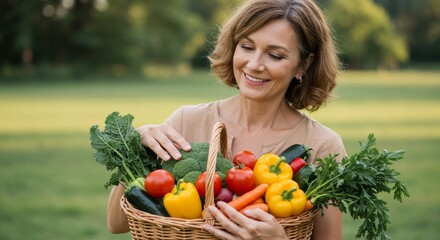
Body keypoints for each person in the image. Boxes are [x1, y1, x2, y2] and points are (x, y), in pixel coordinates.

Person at [107, 0, 346, 239]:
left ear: (304, 64)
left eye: (275, 55)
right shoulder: (186, 121)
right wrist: (136, 147)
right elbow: (117, 223)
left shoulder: (322, 145)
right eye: (247, 47)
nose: (254, 65)